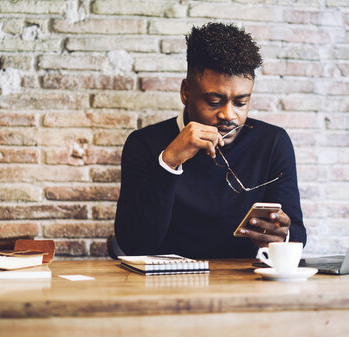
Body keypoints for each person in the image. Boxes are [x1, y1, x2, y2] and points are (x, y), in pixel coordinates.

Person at [114, 22, 306, 258]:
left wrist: (281, 236)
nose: (228, 114)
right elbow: (134, 244)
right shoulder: (143, 144)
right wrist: (168, 162)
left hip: (246, 283)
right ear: (186, 92)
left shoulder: (272, 143)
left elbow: (297, 233)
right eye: (214, 101)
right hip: (166, 285)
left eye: (240, 102)